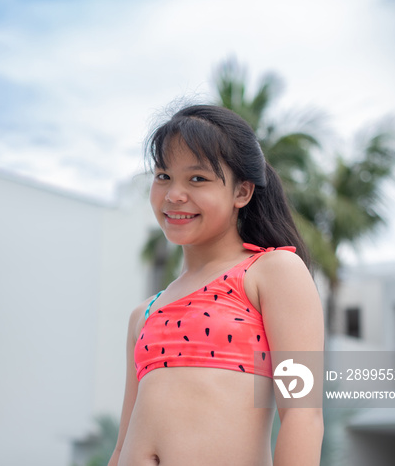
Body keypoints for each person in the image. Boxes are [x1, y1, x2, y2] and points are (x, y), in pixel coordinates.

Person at [108, 105, 324, 466]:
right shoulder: (142, 314)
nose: (174, 194)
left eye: (197, 179)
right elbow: (120, 446)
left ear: (242, 192)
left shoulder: (273, 272)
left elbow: (303, 414)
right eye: (163, 176)